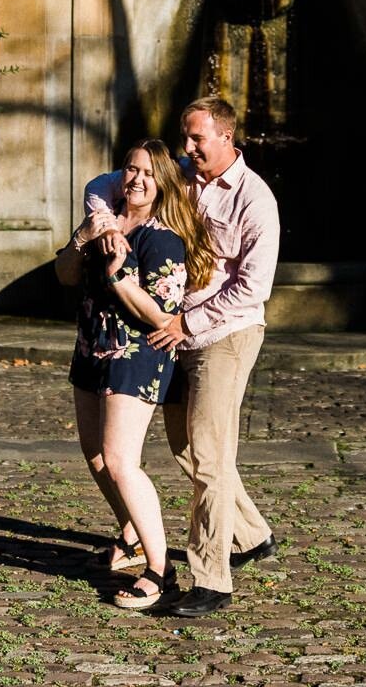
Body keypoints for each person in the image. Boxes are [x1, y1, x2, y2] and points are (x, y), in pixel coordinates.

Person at [83, 96, 280, 618]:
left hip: (223, 333)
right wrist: (103, 223)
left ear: (226, 138)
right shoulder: (181, 177)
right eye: (185, 138)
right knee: (186, 450)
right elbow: (100, 185)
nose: (187, 147)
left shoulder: (255, 199)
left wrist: (185, 323)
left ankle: (210, 579)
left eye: (196, 139)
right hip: (171, 333)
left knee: (211, 455)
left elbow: (254, 287)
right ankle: (253, 535)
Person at [56, 139, 215, 611]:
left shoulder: (162, 238)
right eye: (130, 169)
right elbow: (64, 274)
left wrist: (120, 275)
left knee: (120, 459)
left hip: (136, 354)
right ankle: (131, 535)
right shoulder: (104, 220)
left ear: (162, 182)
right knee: (96, 457)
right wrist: (84, 236)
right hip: (92, 347)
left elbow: (163, 315)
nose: (137, 179)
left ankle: (160, 569)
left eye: (148, 173)